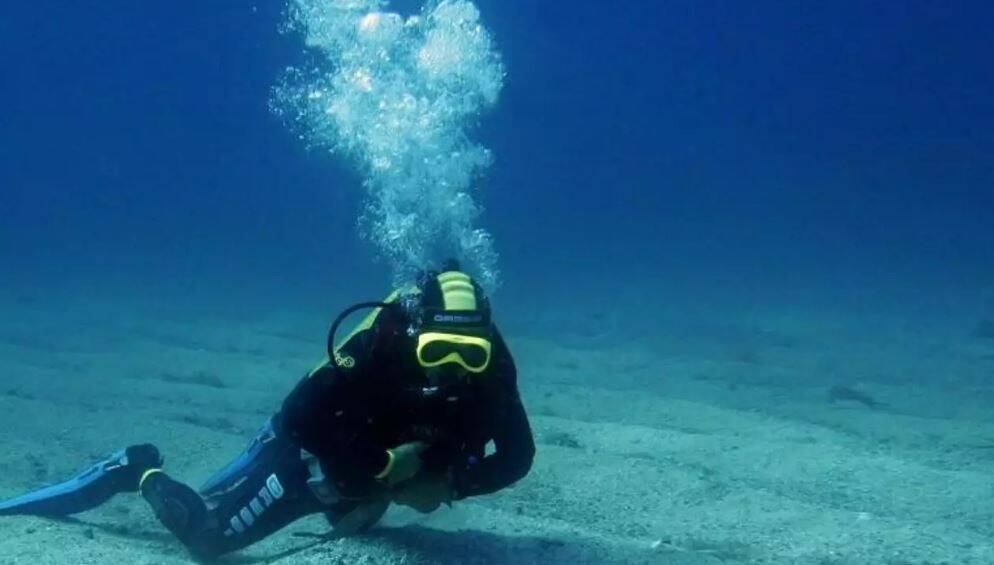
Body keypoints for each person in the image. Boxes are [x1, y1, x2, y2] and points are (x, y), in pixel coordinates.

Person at [0, 264, 535, 560]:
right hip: (306, 457)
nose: (451, 368)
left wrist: (456, 483)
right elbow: (303, 415)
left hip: (367, 474)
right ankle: (136, 468)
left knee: (352, 517)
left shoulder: (492, 377)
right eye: (437, 350)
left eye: (470, 355)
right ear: (415, 336)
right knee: (209, 536)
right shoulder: (379, 348)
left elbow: (517, 456)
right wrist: (378, 466)